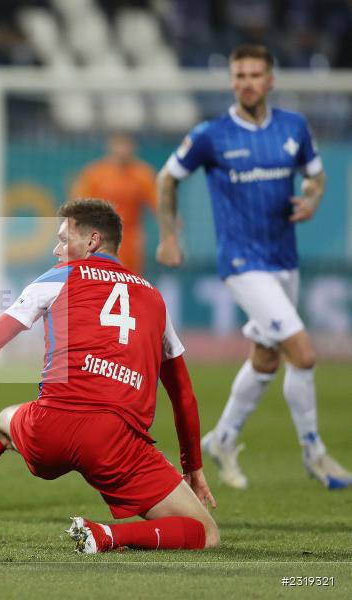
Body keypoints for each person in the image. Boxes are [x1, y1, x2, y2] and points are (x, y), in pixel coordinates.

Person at [0, 199, 219, 553]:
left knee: (0, 427)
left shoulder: (58, 277)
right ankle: (107, 536)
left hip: (51, 426)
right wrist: (193, 466)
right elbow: (183, 396)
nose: (56, 250)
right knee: (206, 533)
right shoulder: (155, 298)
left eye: (63, 239)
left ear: (92, 241)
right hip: (116, 443)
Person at [156, 44, 352, 490]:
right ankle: (315, 453)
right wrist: (169, 235)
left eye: (254, 74)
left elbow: (316, 175)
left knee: (265, 358)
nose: (246, 82)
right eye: (239, 75)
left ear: (270, 80)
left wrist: (313, 199)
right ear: (231, 81)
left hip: (284, 260)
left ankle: (223, 438)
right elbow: (167, 177)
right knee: (303, 354)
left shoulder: (293, 127)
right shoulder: (211, 135)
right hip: (242, 263)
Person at [70, 133, 157, 275]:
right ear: (111, 147)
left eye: (126, 145)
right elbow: (78, 205)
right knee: (100, 276)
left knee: (128, 277)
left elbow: (158, 203)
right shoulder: (95, 174)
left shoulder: (142, 174)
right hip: (100, 236)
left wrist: (170, 226)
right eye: (119, 145)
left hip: (130, 237)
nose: (122, 150)